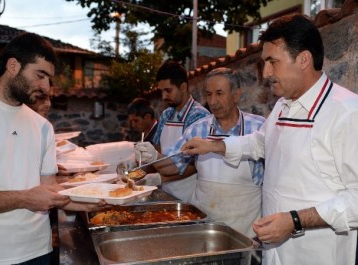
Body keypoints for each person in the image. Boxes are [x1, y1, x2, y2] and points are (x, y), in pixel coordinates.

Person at [181, 14, 358, 265]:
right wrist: (215, 146)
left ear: (303, 59)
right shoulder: (284, 105)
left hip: (318, 255)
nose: (265, 73)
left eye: (272, 62)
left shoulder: (346, 113)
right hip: (276, 253)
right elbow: (261, 142)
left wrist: (294, 220)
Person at [0, 33, 100, 265]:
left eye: (49, 79)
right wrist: (24, 198)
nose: (46, 87)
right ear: (13, 66)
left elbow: (48, 191)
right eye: (40, 75)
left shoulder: (44, 127)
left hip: (39, 251)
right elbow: (30, 198)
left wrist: (89, 199)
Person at [135, 67, 265, 238]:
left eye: (219, 93)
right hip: (204, 225)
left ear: (236, 95)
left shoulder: (258, 127)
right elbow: (173, 166)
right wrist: (154, 157)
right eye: (209, 94)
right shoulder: (198, 128)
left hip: (244, 230)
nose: (213, 101)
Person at [140, 60, 210, 202]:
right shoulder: (166, 114)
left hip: (188, 194)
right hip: (165, 191)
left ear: (183, 87)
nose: (163, 96)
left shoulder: (199, 116)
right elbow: (158, 148)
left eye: (168, 90)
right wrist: (140, 167)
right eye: (161, 91)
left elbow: (194, 165)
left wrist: (160, 177)